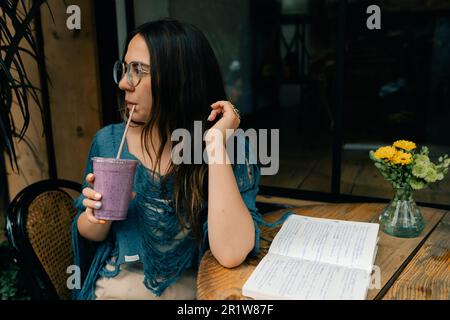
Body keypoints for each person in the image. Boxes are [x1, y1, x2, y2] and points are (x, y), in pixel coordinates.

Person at [71, 18, 289, 300]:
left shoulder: (230, 146)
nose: (124, 83)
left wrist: (214, 145)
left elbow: (232, 252)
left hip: (194, 292)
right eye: (124, 69)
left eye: (138, 70)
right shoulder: (110, 142)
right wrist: (96, 216)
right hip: (117, 289)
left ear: (178, 78)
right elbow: (90, 233)